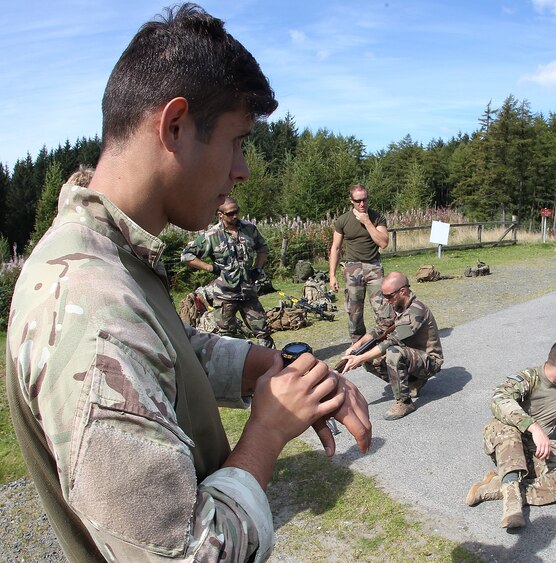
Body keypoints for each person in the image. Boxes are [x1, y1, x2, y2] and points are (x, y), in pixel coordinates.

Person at [4, 5, 371, 561]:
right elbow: (189, 552)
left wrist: (258, 368)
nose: (242, 171)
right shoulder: (91, 304)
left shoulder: (108, 258)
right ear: (174, 126)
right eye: (238, 141)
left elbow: (157, 350)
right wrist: (268, 432)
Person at [465, 338, 556, 529]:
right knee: (508, 431)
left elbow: (548, 407)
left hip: (537, 447)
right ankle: (512, 506)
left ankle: (500, 488)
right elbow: (499, 398)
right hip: (508, 439)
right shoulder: (530, 378)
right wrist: (534, 427)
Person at [340, 271, 443, 420]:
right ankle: (412, 383)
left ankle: (405, 402)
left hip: (429, 362)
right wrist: (356, 348)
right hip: (410, 357)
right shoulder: (394, 304)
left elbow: (391, 342)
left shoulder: (416, 310)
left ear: (403, 291)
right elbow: (377, 330)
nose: (386, 300)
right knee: (369, 355)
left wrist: (360, 358)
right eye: (383, 295)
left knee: (393, 352)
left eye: (388, 296)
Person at [181, 195, 274, 347]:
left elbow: (263, 247)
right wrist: (209, 267)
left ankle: (274, 363)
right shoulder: (212, 235)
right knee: (227, 337)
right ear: (220, 215)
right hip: (225, 295)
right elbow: (186, 255)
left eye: (237, 211)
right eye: (230, 213)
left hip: (248, 291)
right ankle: (234, 367)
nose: (235, 215)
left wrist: (258, 268)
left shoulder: (249, 229)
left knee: (263, 331)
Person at [328, 183, 389, 343]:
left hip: (374, 267)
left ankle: (385, 341)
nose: (362, 204)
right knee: (354, 311)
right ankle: (358, 345)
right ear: (351, 200)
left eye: (365, 200)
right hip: (352, 268)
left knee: (382, 308)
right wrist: (332, 275)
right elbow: (335, 248)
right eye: (358, 201)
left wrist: (367, 222)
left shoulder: (377, 217)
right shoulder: (343, 220)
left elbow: (383, 243)